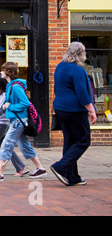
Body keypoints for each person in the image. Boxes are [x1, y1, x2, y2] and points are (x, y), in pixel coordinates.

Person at [0, 62, 46, 182]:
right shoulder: (11, 86)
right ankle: (40, 168)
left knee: (6, 145)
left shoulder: (16, 87)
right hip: (17, 120)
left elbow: (25, 103)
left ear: (7, 73)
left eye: (2, 70)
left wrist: (10, 106)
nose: (1, 72)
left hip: (18, 121)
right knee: (24, 146)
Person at [51, 42, 97, 186]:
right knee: (84, 140)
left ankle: (72, 177)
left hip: (60, 109)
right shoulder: (77, 70)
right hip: (75, 110)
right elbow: (82, 92)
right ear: (81, 53)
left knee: (70, 141)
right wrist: (91, 109)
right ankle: (61, 166)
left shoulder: (60, 66)